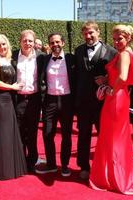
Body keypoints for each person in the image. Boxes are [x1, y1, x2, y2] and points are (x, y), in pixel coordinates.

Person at [89, 24, 133, 195]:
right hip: (117, 98)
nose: (116, 42)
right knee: (113, 137)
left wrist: (110, 89)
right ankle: (113, 176)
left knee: (113, 138)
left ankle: (115, 178)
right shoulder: (125, 53)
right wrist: (106, 79)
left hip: (116, 99)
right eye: (114, 39)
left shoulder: (124, 54)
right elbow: (118, 75)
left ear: (128, 38)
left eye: (119, 38)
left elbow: (122, 76)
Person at [74, 20, 117, 179]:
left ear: (98, 32)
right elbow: (76, 76)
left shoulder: (112, 52)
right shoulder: (78, 51)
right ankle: (84, 166)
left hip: (103, 103)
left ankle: (105, 166)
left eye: (91, 32)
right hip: (83, 102)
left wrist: (107, 79)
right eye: (85, 33)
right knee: (83, 135)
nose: (88, 36)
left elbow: (119, 76)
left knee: (104, 135)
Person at [35, 33, 75, 177]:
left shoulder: (71, 59)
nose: (55, 44)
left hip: (67, 101)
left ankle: (64, 165)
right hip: (49, 101)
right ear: (49, 45)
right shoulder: (44, 59)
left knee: (66, 135)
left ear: (63, 43)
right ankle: (51, 164)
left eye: (57, 42)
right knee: (47, 134)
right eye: (52, 42)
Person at [0, 34, 27, 180]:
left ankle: (12, 167)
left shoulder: (9, 60)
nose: (2, 47)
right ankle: (2, 170)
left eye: (4, 44)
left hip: (9, 100)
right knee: (2, 134)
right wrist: (13, 87)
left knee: (9, 133)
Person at [11, 30, 44, 172]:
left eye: (30, 41)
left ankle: (32, 162)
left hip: (34, 100)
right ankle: (20, 161)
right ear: (20, 41)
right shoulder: (12, 56)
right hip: (18, 99)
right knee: (18, 132)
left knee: (32, 132)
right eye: (25, 40)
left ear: (34, 42)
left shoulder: (41, 57)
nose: (27, 43)